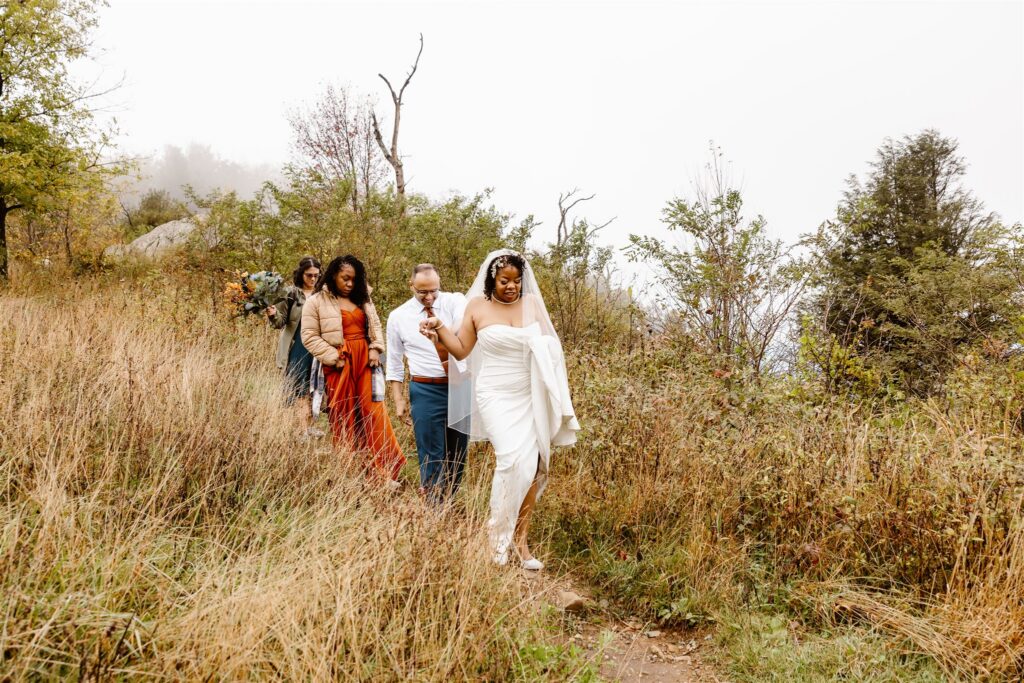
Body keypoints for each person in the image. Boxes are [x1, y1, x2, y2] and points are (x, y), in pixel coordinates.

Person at [420, 250, 580, 569]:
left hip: (529, 391)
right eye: (505, 280)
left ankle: (520, 544)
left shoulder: (532, 305)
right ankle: (497, 538)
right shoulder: (477, 307)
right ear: (491, 279)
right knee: (511, 459)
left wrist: (543, 348)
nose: (512, 287)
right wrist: (439, 329)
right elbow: (462, 350)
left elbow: (553, 347)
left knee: (533, 465)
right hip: (494, 392)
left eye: (517, 281)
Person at [301, 255, 405, 483]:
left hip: (366, 362)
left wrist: (376, 348)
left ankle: (384, 471)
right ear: (333, 276)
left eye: (353, 280)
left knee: (373, 412)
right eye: (345, 279)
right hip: (339, 364)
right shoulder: (316, 301)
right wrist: (332, 357)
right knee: (344, 415)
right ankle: (352, 471)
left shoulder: (363, 298)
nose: (349, 284)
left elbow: (376, 325)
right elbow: (308, 336)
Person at [386, 263, 469, 503]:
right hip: (425, 390)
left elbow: (464, 327)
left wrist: (440, 328)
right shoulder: (398, 316)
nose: (430, 297)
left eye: (434, 290)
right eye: (423, 292)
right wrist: (399, 399)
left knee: (458, 453)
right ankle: (433, 507)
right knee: (432, 452)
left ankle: (449, 502)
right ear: (411, 286)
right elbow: (393, 361)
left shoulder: (454, 303)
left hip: (458, 387)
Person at [266, 256, 323, 436]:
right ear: (301, 274)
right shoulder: (291, 294)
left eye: (316, 275)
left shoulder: (322, 294)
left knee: (315, 387)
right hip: (297, 346)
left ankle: (308, 426)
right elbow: (279, 323)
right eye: (309, 275)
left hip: (318, 346)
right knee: (299, 388)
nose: (313, 279)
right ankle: (301, 430)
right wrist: (273, 314)